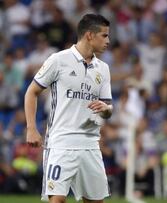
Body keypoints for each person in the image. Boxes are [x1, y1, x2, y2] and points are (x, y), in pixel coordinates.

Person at [24, 14, 112, 203]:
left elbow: (108, 109)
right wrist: (31, 128)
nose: (108, 41)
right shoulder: (58, 60)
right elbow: (31, 92)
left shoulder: (103, 68)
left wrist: (106, 109)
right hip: (61, 142)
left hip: (90, 144)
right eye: (104, 36)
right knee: (57, 200)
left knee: (96, 201)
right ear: (89, 35)